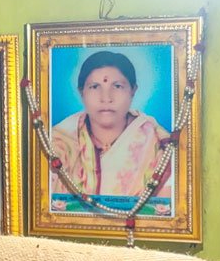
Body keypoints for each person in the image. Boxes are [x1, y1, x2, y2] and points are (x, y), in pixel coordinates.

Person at [48, 50, 172, 203]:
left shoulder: (159, 145)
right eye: (94, 87)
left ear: (133, 91)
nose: (106, 98)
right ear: (82, 92)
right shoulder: (59, 141)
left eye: (118, 86)